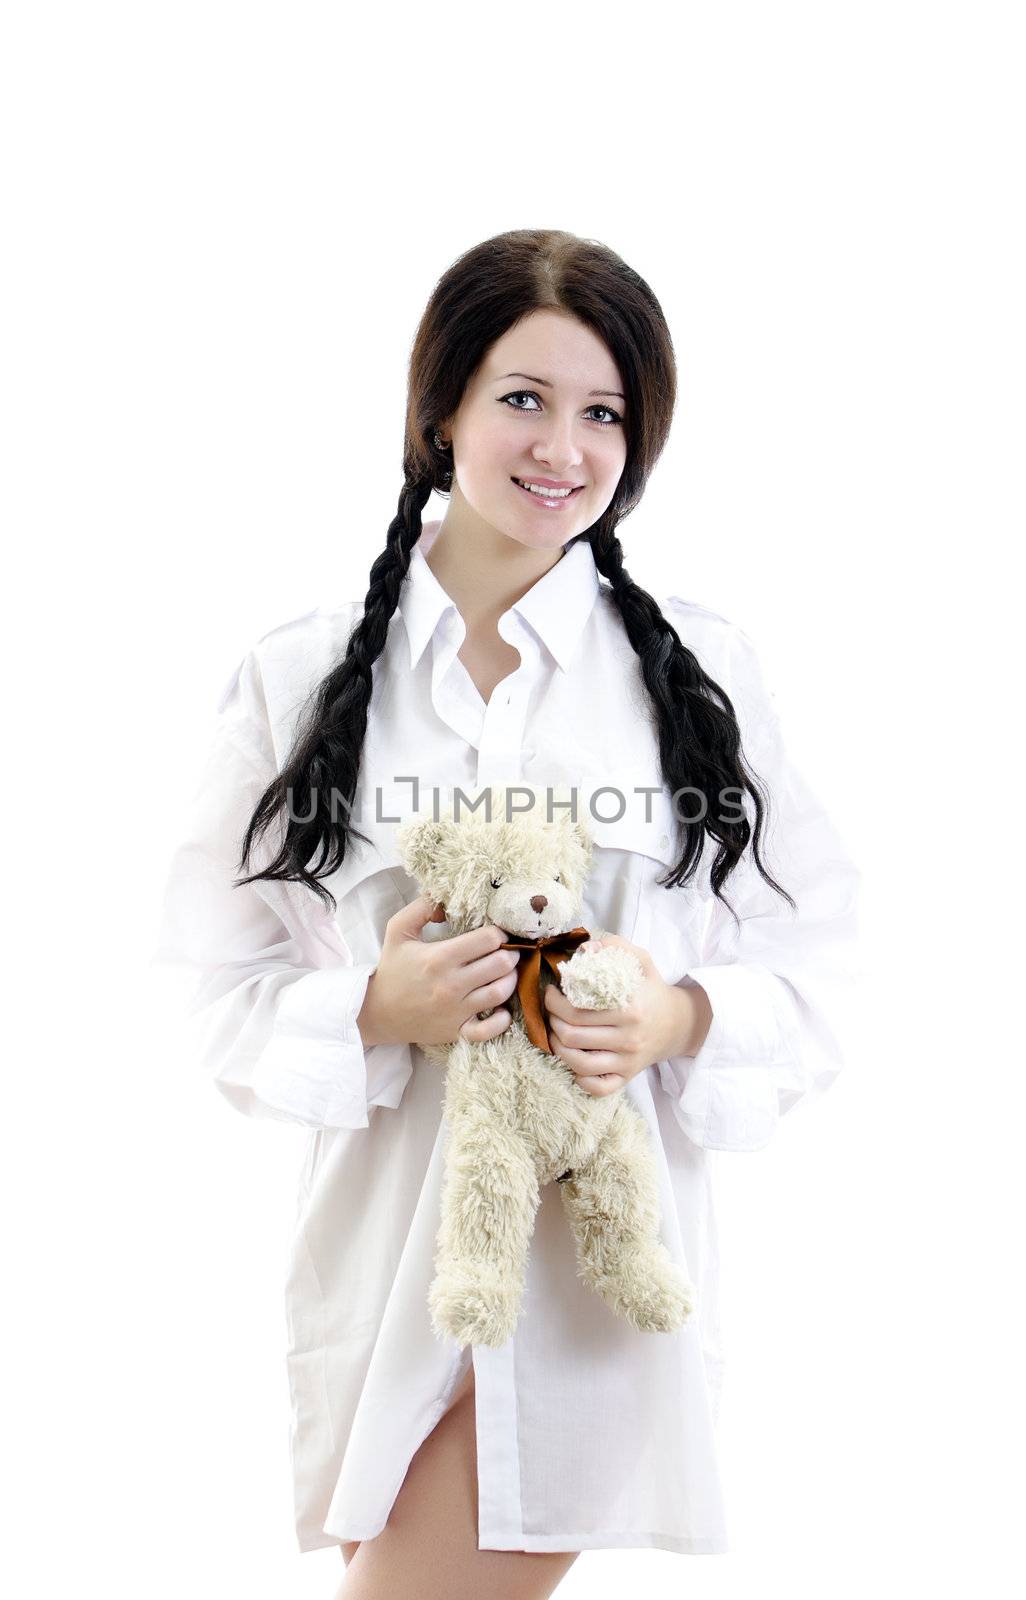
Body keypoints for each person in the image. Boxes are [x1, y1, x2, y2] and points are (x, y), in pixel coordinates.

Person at [154, 228, 860, 1599]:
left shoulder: (698, 673)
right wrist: (370, 1005)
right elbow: (200, 970)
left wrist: (675, 1016)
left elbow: (824, 946)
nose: (562, 448)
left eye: (603, 412)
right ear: (441, 413)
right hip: (390, 1248)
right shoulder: (299, 674)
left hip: (598, 1272)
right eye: (522, 398)